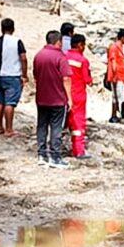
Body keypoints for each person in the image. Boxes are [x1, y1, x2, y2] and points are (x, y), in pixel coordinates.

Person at [33, 30, 73, 168]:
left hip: (41, 98)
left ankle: (42, 154)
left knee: (42, 125)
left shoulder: (38, 55)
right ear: (58, 42)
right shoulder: (60, 57)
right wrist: (69, 98)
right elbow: (66, 78)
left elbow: (36, 75)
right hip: (57, 99)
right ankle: (55, 157)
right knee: (56, 127)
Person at [0, 18, 28, 137]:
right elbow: (23, 58)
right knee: (10, 103)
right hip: (13, 77)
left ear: (1, 28)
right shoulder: (17, 41)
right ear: (13, 29)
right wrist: (24, 75)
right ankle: (9, 129)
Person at [65, 34, 93, 158]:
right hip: (78, 95)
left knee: (63, 121)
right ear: (80, 45)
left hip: (63, 93)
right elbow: (87, 80)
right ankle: (78, 150)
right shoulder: (83, 61)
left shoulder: (64, 57)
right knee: (78, 123)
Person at [106, 29, 124, 123]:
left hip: (121, 75)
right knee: (115, 96)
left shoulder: (120, 47)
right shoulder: (114, 47)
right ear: (123, 38)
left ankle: (116, 114)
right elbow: (113, 61)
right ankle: (114, 115)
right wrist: (114, 75)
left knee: (119, 96)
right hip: (117, 76)